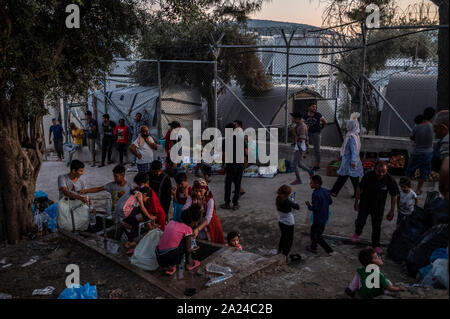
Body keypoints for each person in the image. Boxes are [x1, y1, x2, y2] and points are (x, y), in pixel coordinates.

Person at [352, 161, 399, 255]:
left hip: (378, 207)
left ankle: (376, 245)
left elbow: (394, 196)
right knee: (360, 221)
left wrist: (392, 210)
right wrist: (356, 202)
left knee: (376, 226)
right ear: (375, 169)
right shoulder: (368, 175)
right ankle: (357, 232)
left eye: (384, 172)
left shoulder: (390, 179)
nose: (381, 174)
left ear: (387, 170)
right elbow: (359, 188)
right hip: (365, 203)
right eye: (379, 171)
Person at [156, 204, 202, 276]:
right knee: (187, 243)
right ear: (193, 221)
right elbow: (187, 249)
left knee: (176, 242)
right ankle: (189, 263)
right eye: (196, 222)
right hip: (168, 257)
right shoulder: (187, 229)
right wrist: (194, 249)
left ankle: (170, 266)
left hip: (159, 257)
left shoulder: (171, 222)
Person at [330, 114, 364, 198]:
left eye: (348, 125)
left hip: (350, 161)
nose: (347, 126)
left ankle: (335, 191)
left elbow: (354, 150)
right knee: (351, 177)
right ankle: (357, 193)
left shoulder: (351, 137)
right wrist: (342, 156)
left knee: (346, 177)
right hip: (350, 160)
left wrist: (353, 162)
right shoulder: (353, 135)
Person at [183, 178, 224, 244]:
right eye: (196, 191)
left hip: (209, 224)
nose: (198, 194)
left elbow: (208, 218)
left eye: (200, 191)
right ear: (193, 190)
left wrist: (198, 229)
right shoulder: (191, 198)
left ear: (205, 190)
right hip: (196, 223)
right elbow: (184, 209)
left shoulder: (210, 200)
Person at [405, 107, 436, 195]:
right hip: (428, 153)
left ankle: (407, 188)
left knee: (409, 171)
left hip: (417, 152)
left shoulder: (417, 126)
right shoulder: (432, 127)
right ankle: (418, 189)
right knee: (424, 172)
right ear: (432, 116)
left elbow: (411, 137)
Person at [220, 123, 248, 210]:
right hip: (239, 165)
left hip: (231, 165)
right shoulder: (241, 139)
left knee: (228, 185)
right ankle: (235, 204)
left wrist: (223, 165)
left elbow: (224, 154)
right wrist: (245, 162)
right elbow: (246, 152)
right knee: (238, 184)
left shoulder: (225, 141)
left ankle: (227, 203)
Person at [305, 175, 334, 255]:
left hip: (318, 218)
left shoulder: (315, 194)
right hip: (325, 216)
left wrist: (308, 205)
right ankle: (313, 247)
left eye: (311, 183)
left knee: (318, 236)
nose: (310, 184)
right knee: (314, 231)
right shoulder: (325, 191)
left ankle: (329, 251)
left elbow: (315, 208)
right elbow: (330, 202)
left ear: (317, 184)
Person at [275, 185, 300, 260]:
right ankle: (284, 255)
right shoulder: (287, 201)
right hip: (289, 223)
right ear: (286, 194)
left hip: (281, 221)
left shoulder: (278, 198)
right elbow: (297, 207)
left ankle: (279, 251)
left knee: (283, 236)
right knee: (289, 240)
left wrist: (290, 199)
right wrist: (293, 200)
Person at [290, 112, 314, 185]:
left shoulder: (302, 126)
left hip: (300, 147)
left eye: (293, 118)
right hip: (300, 147)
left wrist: (300, 149)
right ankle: (310, 172)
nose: (292, 119)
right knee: (299, 164)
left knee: (294, 164)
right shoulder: (299, 125)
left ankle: (299, 180)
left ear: (297, 118)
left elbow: (302, 138)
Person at [303, 103, 327, 170]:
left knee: (317, 149)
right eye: (313, 107)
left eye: (315, 107)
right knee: (304, 146)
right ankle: (303, 162)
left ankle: (317, 165)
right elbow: (301, 123)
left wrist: (321, 128)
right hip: (308, 133)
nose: (314, 108)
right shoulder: (305, 115)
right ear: (309, 107)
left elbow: (325, 122)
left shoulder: (318, 115)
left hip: (316, 133)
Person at [433, 110, 449, 201]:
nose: (435, 132)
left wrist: (443, 189)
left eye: (436, 128)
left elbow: (446, 170)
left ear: (443, 127)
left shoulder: (447, 140)